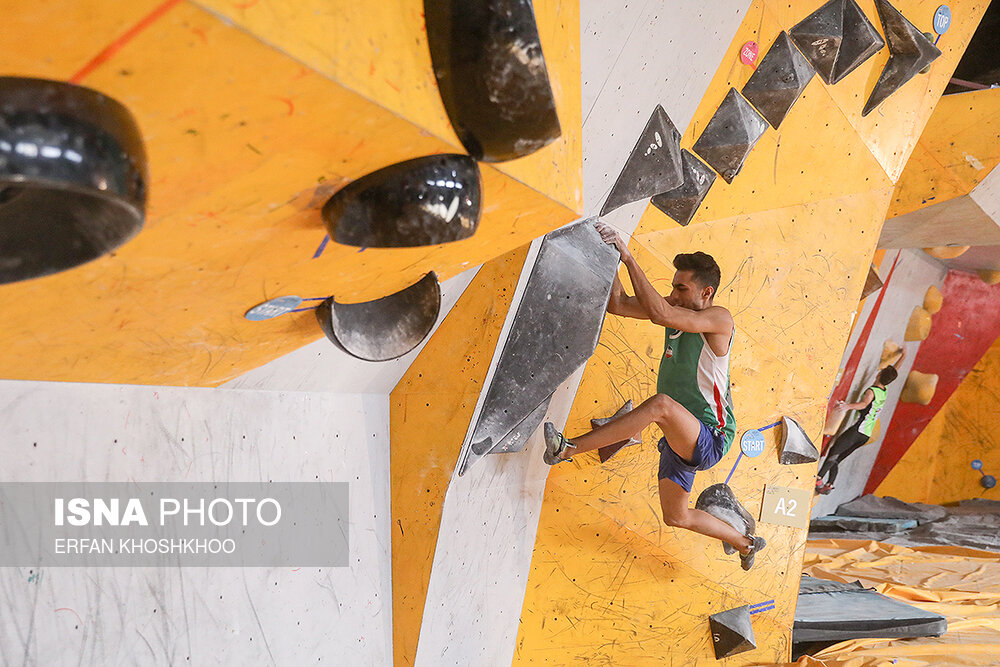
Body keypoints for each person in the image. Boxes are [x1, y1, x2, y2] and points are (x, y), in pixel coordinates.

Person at [541, 222, 766, 570]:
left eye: (681, 287)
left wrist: (630, 258)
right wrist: (610, 254)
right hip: (680, 439)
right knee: (676, 517)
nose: (673, 294)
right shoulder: (676, 315)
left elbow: (661, 312)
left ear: (706, 293)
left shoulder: (719, 319)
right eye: (672, 287)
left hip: (711, 436)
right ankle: (746, 543)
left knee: (660, 406)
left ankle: (567, 449)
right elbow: (617, 303)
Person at [815, 348, 907, 495]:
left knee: (835, 450)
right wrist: (904, 355)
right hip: (865, 435)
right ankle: (830, 484)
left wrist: (847, 406)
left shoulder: (872, 391)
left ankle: (819, 478)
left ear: (879, 374)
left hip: (858, 430)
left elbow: (864, 404)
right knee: (837, 459)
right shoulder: (884, 390)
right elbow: (893, 372)